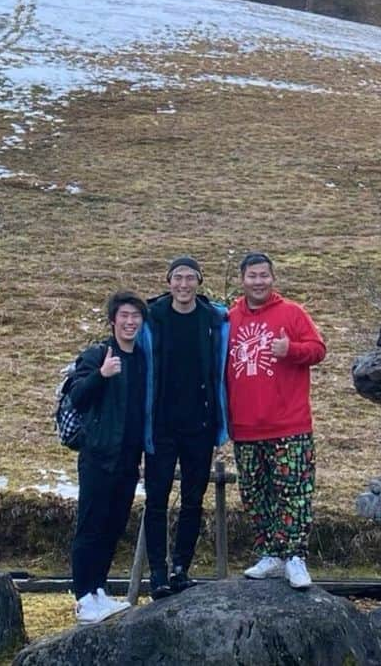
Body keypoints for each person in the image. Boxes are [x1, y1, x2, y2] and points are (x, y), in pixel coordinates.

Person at [225, 251, 326, 589]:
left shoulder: (292, 313)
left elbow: (318, 349)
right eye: (252, 276)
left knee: (294, 492)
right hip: (245, 426)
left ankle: (295, 556)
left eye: (264, 275)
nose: (258, 282)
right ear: (243, 280)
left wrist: (291, 351)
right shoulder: (229, 319)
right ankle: (270, 553)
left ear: (273, 278)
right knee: (256, 493)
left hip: (289, 424)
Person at [137, 255, 229, 598]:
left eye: (190, 278)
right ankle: (157, 574)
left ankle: (181, 568)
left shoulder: (214, 318)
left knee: (193, 499)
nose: (184, 284)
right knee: (156, 499)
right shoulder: (153, 317)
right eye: (178, 277)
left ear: (199, 282)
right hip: (161, 426)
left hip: (200, 426)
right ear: (169, 282)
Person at [68, 290, 152, 623]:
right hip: (99, 456)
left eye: (136, 317)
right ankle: (83, 597)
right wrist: (101, 375)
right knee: (90, 525)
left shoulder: (143, 360)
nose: (130, 322)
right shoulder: (97, 354)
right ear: (113, 321)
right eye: (124, 316)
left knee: (113, 526)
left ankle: (99, 590)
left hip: (128, 461)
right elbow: (76, 397)